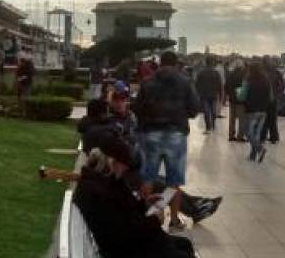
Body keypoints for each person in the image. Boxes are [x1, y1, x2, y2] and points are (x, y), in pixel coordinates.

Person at [80, 97, 223, 225]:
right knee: (166, 187)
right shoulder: (104, 132)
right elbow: (127, 155)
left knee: (164, 181)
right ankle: (156, 216)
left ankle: (196, 205)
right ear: (101, 113)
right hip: (119, 177)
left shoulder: (92, 130)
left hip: (116, 174)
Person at [73, 133, 196, 258]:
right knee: (183, 251)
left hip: (138, 243)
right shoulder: (97, 193)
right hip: (131, 249)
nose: (126, 168)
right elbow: (122, 234)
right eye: (124, 164)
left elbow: (126, 212)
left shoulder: (104, 182)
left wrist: (144, 204)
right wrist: (155, 220)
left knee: (184, 244)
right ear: (111, 161)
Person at [136, 51, 200, 231]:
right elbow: (194, 109)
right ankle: (174, 219)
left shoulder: (147, 82)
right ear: (175, 63)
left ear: (160, 63)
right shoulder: (185, 81)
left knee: (148, 177)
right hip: (176, 135)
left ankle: (146, 214)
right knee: (174, 180)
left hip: (151, 134)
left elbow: (138, 107)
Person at [240, 62, 272, 162]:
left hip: (251, 110)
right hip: (263, 110)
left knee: (247, 132)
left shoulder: (247, 80)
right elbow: (271, 97)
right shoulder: (266, 80)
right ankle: (253, 155)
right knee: (256, 133)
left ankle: (259, 149)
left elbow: (242, 96)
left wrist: (239, 92)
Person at [195, 55, 222, 134]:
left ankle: (208, 127)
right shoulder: (216, 73)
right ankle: (213, 125)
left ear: (205, 62)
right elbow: (219, 84)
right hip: (213, 94)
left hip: (204, 95)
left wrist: (197, 94)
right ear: (212, 62)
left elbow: (197, 84)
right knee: (213, 111)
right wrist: (220, 95)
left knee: (206, 111)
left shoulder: (201, 72)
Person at [260, 57, 284, 143]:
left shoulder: (261, 72)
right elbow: (282, 85)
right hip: (273, 98)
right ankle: (274, 137)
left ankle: (262, 136)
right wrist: (278, 93)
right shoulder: (276, 72)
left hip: (264, 99)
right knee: (273, 118)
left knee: (264, 118)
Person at [225, 60, 246, 142]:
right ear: (241, 66)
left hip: (232, 99)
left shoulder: (230, 75)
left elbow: (226, 86)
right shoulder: (243, 75)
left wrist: (229, 94)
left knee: (232, 119)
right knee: (242, 119)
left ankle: (231, 135)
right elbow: (245, 87)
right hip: (240, 100)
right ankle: (240, 136)